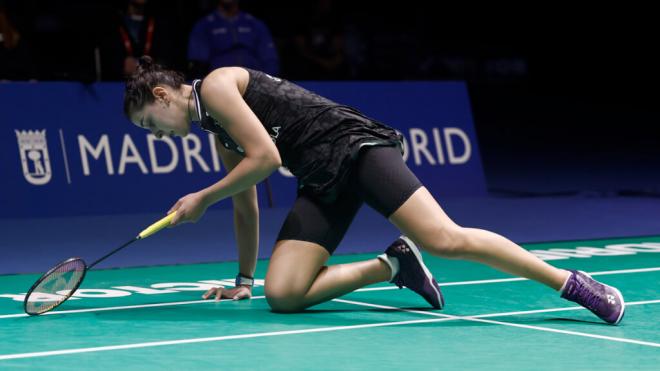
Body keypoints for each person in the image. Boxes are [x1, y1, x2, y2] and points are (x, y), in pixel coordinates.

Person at [123, 56, 625, 325]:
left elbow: (267, 160)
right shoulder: (217, 129)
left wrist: (200, 198)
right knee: (285, 295)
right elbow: (246, 199)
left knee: (445, 239)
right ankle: (393, 265)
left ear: (162, 95)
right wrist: (244, 279)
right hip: (321, 177)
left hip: (355, 148)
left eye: (150, 123)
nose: (157, 134)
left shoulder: (215, 85)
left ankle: (572, 284)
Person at [187, 0, 279, 78]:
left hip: (254, 83)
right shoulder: (204, 25)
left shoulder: (254, 23)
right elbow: (198, 64)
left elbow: (270, 60)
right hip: (219, 83)